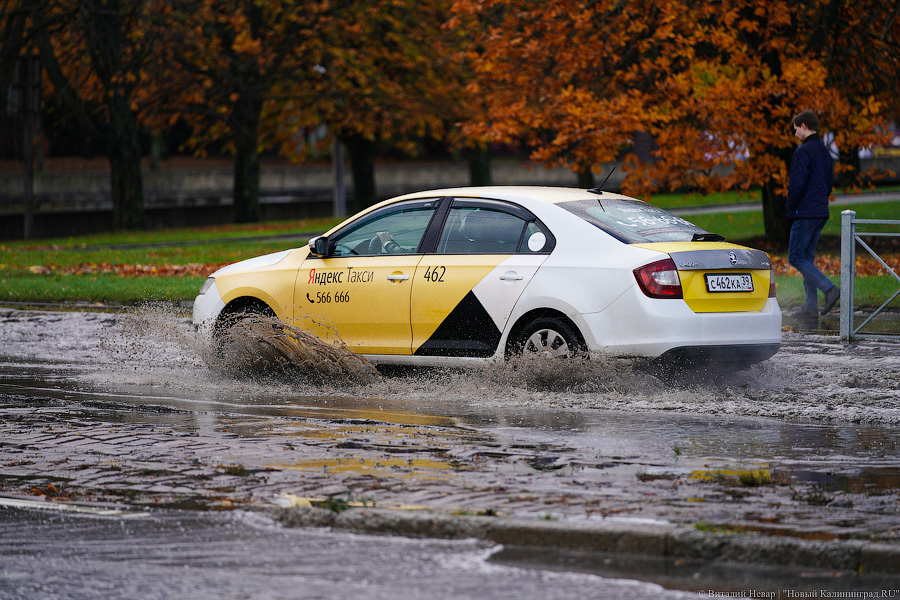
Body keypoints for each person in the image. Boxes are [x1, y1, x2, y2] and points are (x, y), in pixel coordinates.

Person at [787, 110, 840, 319]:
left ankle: (829, 289)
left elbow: (797, 185)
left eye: (795, 130)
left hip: (805, 212)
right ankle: (810, 306)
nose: (795, 135)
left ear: (803, 126)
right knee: (807, 257)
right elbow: (829, 183)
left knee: (795, 257)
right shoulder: (824, 151)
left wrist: (791, 207)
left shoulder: (803, 151)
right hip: (820, 211)